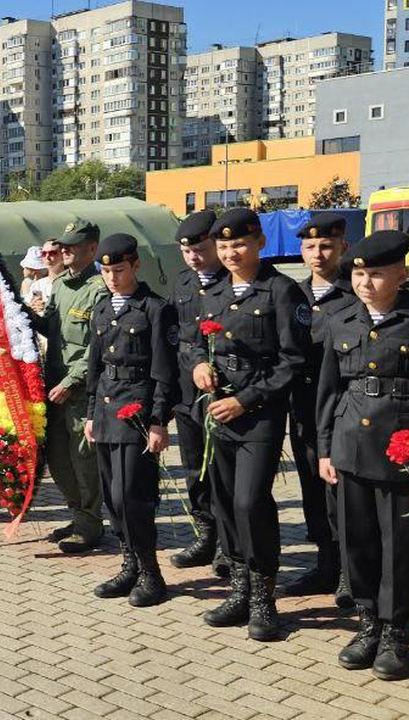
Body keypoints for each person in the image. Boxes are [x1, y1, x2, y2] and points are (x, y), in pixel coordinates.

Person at [191, 208, 310, 641]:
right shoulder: (214, 291)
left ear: (259, 242)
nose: (230, 252)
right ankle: (239, 588)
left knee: (249, 501)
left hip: (258, 414)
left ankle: (263, 597)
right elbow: (194, 342)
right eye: (223, 246)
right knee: (223, 501)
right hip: (218, 411)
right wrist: (198, 366)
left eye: (239, 244)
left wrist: (245, 400)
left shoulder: (281, 291)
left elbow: (291, 361)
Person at [317, 229, 409, 681]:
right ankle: (367, 623)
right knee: (358, 541)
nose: (365, 283)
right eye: (359, 273)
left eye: (376, 274)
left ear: (402, 273)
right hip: (351, 446)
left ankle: (397, 631)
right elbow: (329, 392)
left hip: (400, 451)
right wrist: (325, 449)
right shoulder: (342, 321)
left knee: (398, 546)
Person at [84, 234, 178, 606]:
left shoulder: (154, 308)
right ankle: (130, 565)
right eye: (106, 271)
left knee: (133, 496)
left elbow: (163, 371)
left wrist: (158, 420)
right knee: (112, 497)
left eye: (119, 270)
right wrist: (91, 414)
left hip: (137, 412)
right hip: (107, 412)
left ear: (135, 266)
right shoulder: (102, 308)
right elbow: (95, 366)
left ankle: (151, 572)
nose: (112, 277)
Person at [284, 214, 357, 603]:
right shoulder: (293, 294)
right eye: (310, 247)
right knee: (312, 491)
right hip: (304, 409)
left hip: (344, 411)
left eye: (326, 246)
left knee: (342, 494)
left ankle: (349, 569)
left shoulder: (354, 293)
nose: (317, 253)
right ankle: (326, 565)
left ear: (342, 246)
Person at [29, 223, 108, 553]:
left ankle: (90, 524)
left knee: (83, 462)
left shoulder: (98, 289)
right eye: (63, 246)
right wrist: (21, 314)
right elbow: (52, 328)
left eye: (73, 246)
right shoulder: (59, 285)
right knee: (59, 460)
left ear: (92, 248)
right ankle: (78, 516)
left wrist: (71, 381)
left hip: (79, 391)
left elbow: (97, 346)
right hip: (54, 387)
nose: (65, 252)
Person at [168, 210, 229, 573]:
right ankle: (205, 534)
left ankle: (228, 542)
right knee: (195, 469)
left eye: (200, 249)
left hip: (225, 393)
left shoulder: (232, 281)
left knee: (223, 470)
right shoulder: (182, 284)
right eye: (186, 251)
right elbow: (179, 337)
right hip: (189, 394)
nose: (194, 257)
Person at [28, 240, 64, 311]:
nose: (47, 257)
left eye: (52, 253)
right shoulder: (37, 285)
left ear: (63, 255)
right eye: (43, 253)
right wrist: (32, 307)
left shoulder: (72, 283)